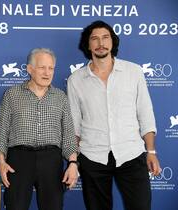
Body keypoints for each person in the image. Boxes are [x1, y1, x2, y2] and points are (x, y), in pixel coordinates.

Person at [67, 20, 161, 210]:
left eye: (105, 37)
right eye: (94, 39)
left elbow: (145, 113)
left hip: (131, 154)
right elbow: (74, 125)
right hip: (93, 157)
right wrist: (74, 161)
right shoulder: (76, 80)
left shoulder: (133, 72)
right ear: (88, 45)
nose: (100, 43)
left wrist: (151, 152)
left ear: (112, 41)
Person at [0, 48, 79, 210]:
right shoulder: (12, 94)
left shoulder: (61, 97)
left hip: (51, 161)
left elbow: (68, 133)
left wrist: (73, 163)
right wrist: (1, 161)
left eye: (51, 68)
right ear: (29, 69)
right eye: (42, 67)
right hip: (18, 160)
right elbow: (2, 130)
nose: (47, 72)